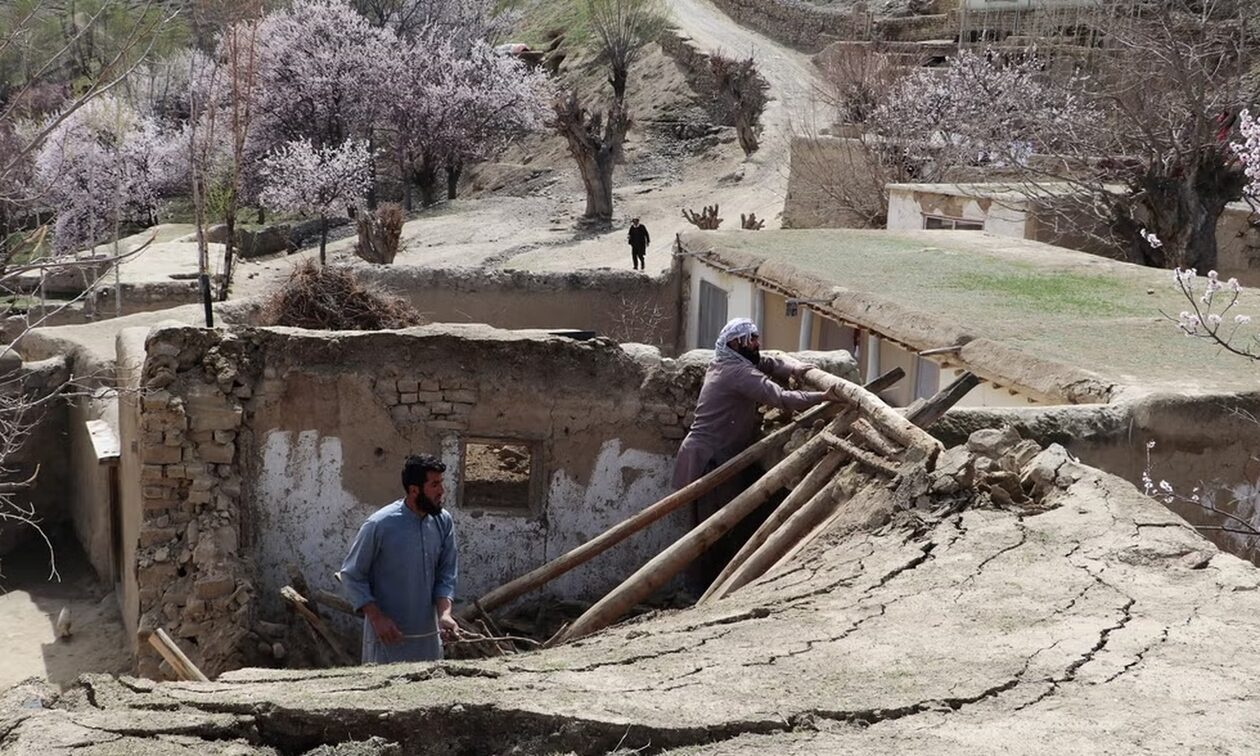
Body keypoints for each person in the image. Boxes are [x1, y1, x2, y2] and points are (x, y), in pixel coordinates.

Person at [672, 318, 832, 594]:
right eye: (752, 339)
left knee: (712, 529)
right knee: (710, 532)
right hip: (710, 461)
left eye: (756, 337)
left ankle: (701, 591)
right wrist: (824, 397)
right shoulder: (736, 372)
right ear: (736, 343)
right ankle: (698, 594)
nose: (757, 343)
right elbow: (780, 397)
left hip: (712, 456)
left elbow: (768, 362)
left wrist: (794, 366)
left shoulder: (730, 361)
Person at [340, 454, 459, 664]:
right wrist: (377, 618)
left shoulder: (443, 522)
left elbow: (446, 574)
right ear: (414, 490)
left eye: (441, 483)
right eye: (434, 485)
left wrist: (445, 615)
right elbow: (352, 575)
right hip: (387, 640)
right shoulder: (379, 525)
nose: (441, 491)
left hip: (428, 641)